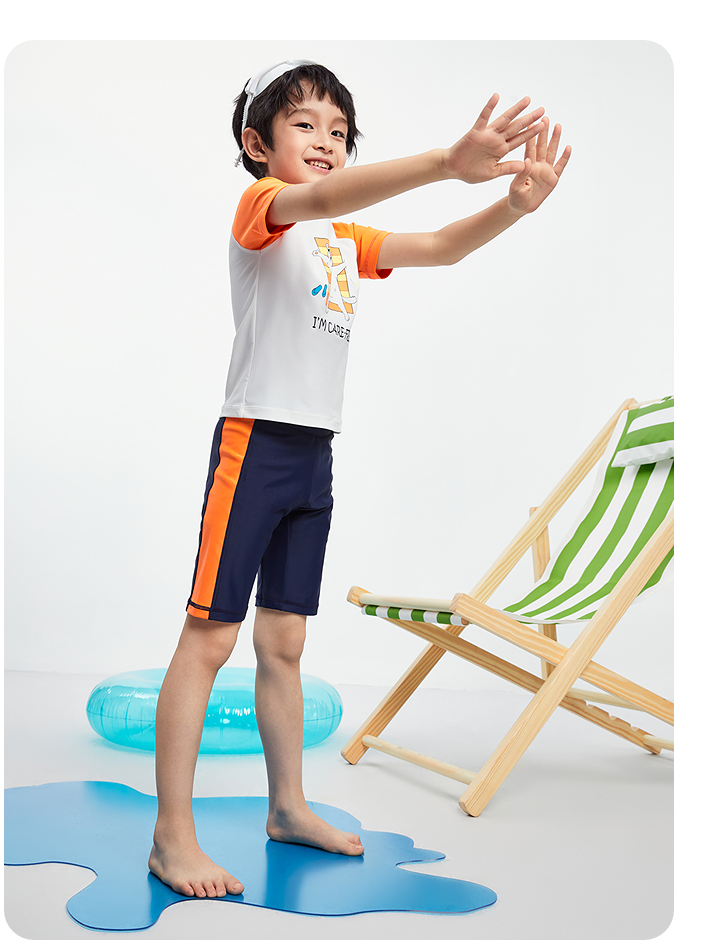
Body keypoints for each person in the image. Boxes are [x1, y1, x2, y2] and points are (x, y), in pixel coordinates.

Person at [148, 59, 571, 900]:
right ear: (257, 144)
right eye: (305, 125)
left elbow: (440, 248)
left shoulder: (340, 239)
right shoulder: (264, 207)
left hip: (314, 454)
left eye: (340, 132)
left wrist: (511, 206)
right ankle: (172, 838)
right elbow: (325, 199)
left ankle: (288, 808)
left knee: (285, 643)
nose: (326, 142)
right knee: (210, 638)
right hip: (255, 445)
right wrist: (446, 163)